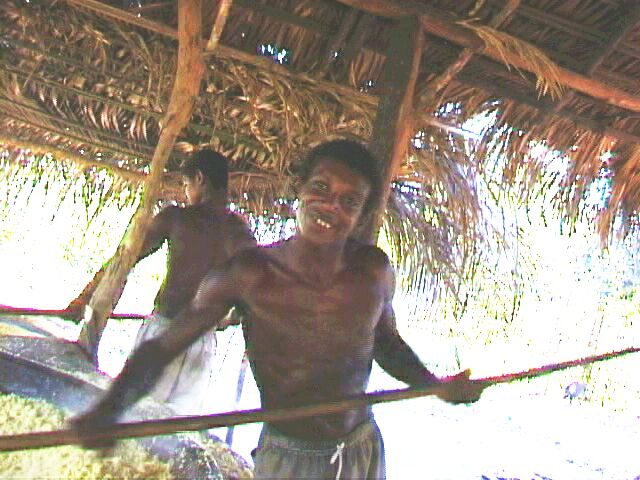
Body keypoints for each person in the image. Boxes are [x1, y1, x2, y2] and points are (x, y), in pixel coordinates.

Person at [73, 139, 485, 479]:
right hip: (288, 457)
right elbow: (164, 346)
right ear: (300, 188)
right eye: (321, 188)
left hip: (359, 446)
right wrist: (111, 407)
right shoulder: (247, 275)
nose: (329, 207)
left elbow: (388, 344)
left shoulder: (372, 272)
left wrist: (435, 385)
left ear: (362, 215)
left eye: (348, 201)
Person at [66, 149, 255, 415]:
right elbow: (252, 294)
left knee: (131, 417)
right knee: (171, 431)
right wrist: (226, 318)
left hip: (162, 333)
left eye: (187, 185)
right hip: (200, 344)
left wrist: (84, 298)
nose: (186, 192)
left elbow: (124, 261)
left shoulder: (177, 218)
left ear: (199, 179)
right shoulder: (240, 233)